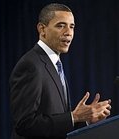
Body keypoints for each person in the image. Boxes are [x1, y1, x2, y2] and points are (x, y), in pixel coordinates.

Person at [9, 3, 111, 139]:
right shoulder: (31, 65)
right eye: (61, 26)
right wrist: (74, 116)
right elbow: (25, 124)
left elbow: (57, 122)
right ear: (42, 29)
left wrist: (84, 119)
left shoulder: (54, 64)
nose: (68, 32)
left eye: (72, 26)